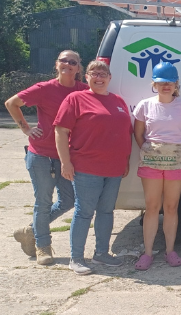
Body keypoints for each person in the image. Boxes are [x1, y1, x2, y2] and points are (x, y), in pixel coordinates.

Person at [5, 50, 88, 265]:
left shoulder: (83, 90)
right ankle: (43, 246)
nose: (67, 64)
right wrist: (26, 129)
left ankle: (31, 230)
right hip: (41, 154)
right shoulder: (44, 89)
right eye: (63, 60)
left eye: (73, 62)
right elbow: (11, 103)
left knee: (69, 200)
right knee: (43, 202)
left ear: (79, 68)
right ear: (56, 64)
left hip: (67, 156)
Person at [54, 61, 133, 275]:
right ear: (86, 77)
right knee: (84, 212)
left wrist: (125, 159)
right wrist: (65, 162)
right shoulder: (76, 99)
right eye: (94, 73)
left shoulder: (118, 101)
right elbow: (61, 131)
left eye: (103, 73)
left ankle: (101, 254)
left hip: (114, 168)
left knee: (106, 211)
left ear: (109, 77)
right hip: (87, 167)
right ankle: (76, 257)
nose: (99, 77)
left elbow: (126, 132)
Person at [132, 62, 181, 270]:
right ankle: (148, 253)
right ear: (154, 84)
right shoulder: (145, 105)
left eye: (170, 82)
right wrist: (151, 152)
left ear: (176, 84)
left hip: (176, 163)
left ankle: (170, 250)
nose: (166, 86)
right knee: (152, 207)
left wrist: (178, 151)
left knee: (171, 207)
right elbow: (138, 133)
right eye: (161, 82)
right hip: (151, 163)